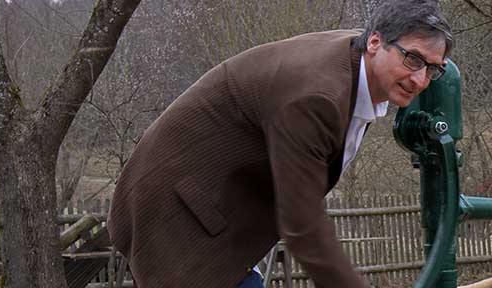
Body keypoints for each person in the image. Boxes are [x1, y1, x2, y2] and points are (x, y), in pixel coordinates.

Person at [107, 1, 453, 287]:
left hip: (217, 210)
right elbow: (302, 225)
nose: (420, 79)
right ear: (376, 42)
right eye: (413, 60)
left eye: (433, 69)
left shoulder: (358, 62)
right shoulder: (316, 97)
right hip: (175, 210)